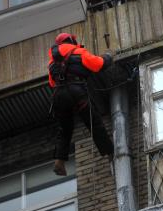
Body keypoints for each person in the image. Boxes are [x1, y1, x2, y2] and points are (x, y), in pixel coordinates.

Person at [48, 32, 114, 176]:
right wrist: (109, 56)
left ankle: (59, 161)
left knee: (65, 130)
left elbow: (52, 83)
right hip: (76, 92)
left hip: (58, 96)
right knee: (94, 123)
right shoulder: (79, 52)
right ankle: (109, 152)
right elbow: (99, 65)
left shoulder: (52, 63)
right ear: (71, 41)